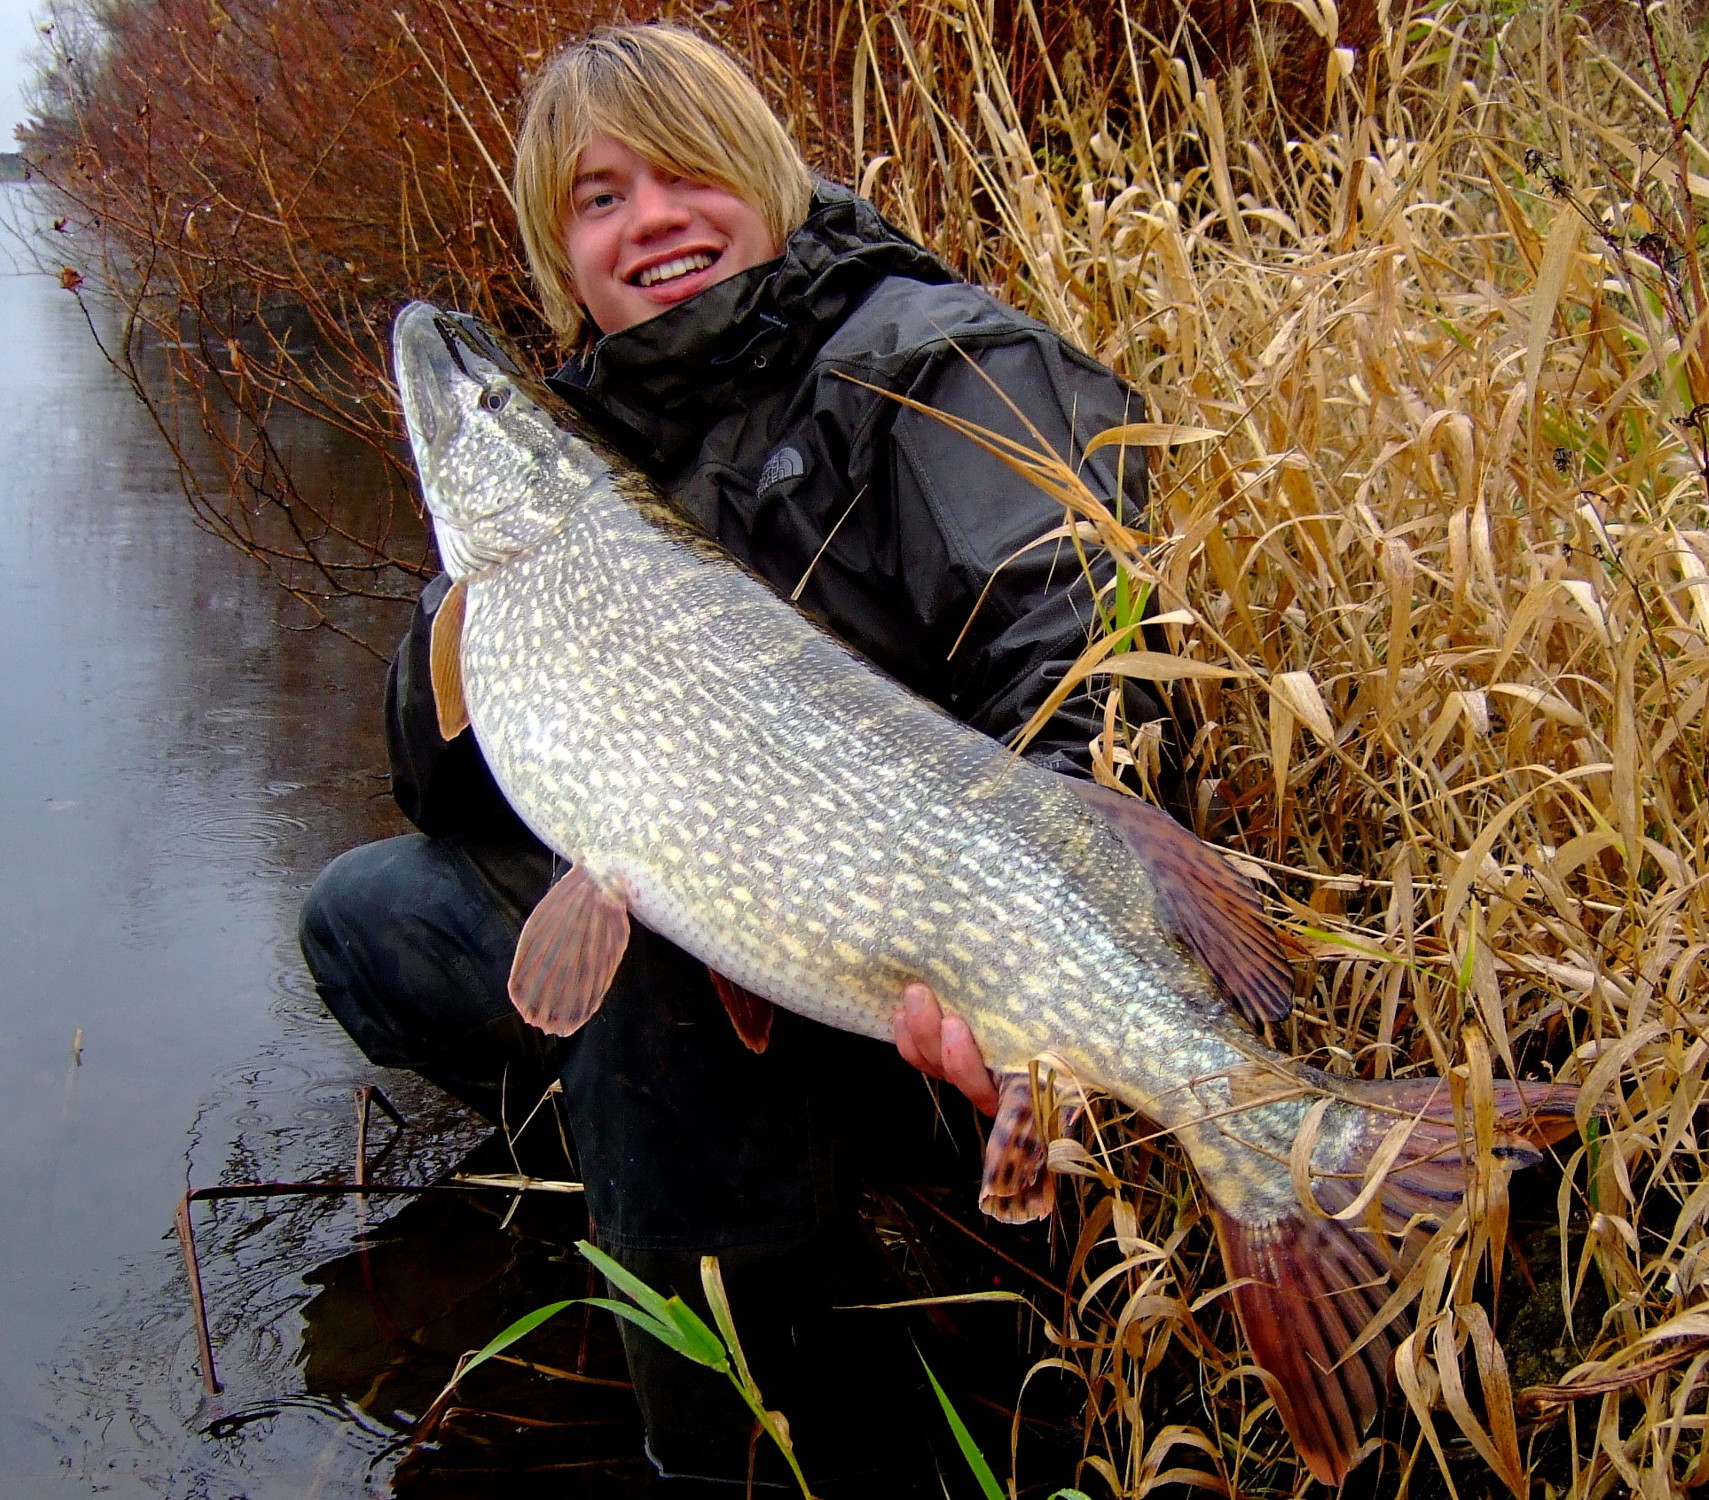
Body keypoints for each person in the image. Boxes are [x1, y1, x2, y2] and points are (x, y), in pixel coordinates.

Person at [299, 22, 1155, 1493]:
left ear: (764, 175)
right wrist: (465, 613)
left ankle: (731, 1437)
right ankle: (681, 1187)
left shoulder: (928, 362)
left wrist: (1037, 948)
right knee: (372, 914)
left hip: (911, 966)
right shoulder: (583, 450)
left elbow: (1088, 661)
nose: (653, 220)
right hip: (753, 929)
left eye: (686, 172)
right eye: (599, 197)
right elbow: (445, 792)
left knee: (642, 990)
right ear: (561, 253)